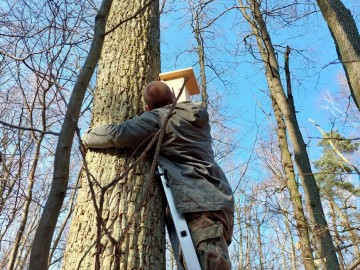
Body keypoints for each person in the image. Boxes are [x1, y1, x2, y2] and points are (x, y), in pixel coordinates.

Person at [82, 81, 235, 270]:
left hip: (198, 204)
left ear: (148, 107)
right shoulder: (197, 117)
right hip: (219, 200)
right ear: (173, 97)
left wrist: (87, 135)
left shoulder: (160, 118)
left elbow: (119, 133)